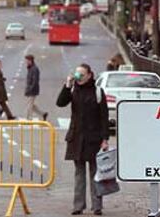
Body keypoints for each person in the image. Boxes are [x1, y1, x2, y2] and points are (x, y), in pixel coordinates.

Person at [56, 64, 109, 216]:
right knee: (79, 174)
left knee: (95, 173)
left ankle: (97, 206)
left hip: (93, 138)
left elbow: (104, 118)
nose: (78, 76)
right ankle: (78, 206)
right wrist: (67, 85)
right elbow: (60, 103)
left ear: (89, 75)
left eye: (81, 74)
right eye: (77, 73)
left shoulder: (98, 92)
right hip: (76, 138)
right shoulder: (73, 89)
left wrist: (105, 139)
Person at [25, 55, 48, 120]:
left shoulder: (34, 69)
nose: (26, 62)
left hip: (33, 90)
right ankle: (43, 114)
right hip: (30, 89)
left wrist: (30, 89)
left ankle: (28, 119)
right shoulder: (30, 68)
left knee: (29, 105)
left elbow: (35, 81)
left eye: (27, 61)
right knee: (32, 105)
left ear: (30, 61)